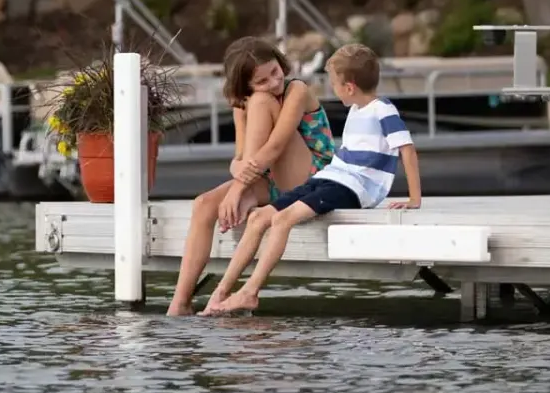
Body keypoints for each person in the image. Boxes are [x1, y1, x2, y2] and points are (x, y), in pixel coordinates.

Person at [207, 42, 420, 314]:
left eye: (334, 83)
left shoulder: (383, 110)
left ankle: (250, 292)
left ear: (349, 87)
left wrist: (414, 198)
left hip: (354, 188)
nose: (332, 88)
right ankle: (220, 293)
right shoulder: (356, 111)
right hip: (334, 177)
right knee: (259, 217)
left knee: (281, 220)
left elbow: (408, 150)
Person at [165, 36, 337, 316]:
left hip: (314, 178)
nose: (273, 83)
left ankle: (245, 198)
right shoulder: (242, 105)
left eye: (274, 72)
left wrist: (237, 191)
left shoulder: (297, 90)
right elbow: (241, 157)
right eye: (261, 81)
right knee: (203, 204)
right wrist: (237, 174)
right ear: (243, 85)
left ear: (281, 63)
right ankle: (180, 303)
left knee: (260, 103)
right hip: (268, 176)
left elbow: (276, 146)